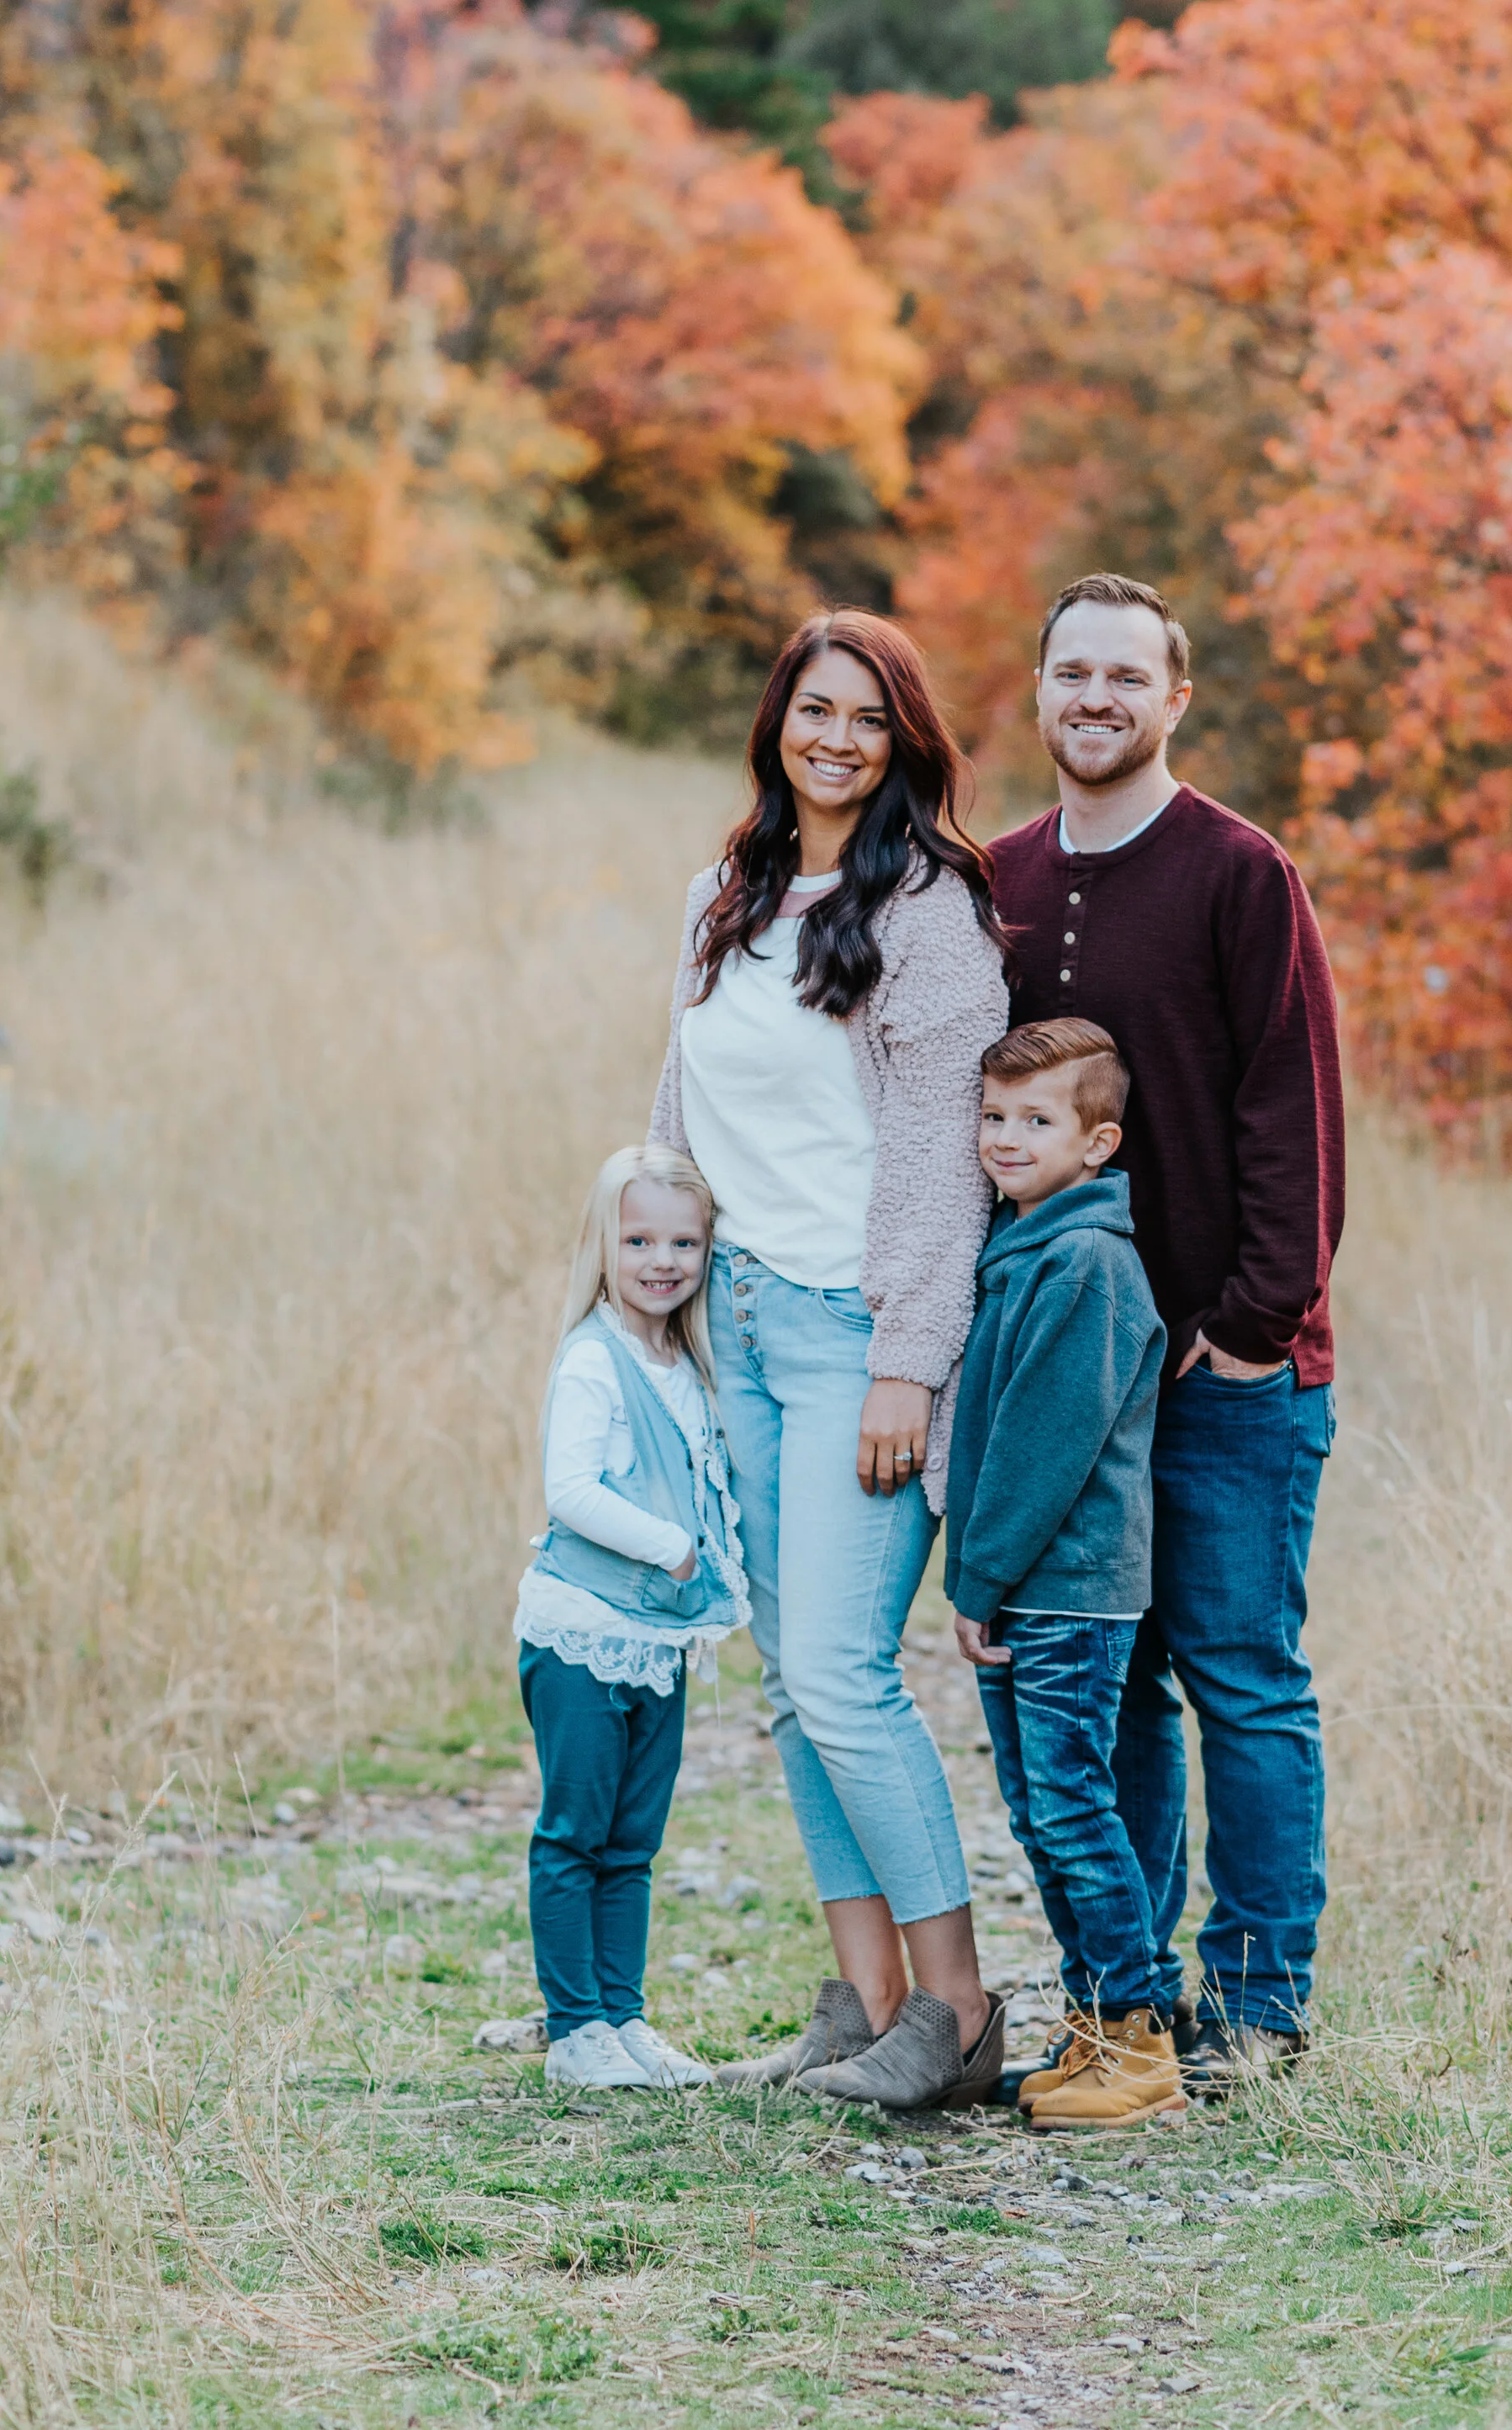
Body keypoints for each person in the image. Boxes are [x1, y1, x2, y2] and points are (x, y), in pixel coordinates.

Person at [649, 609, 1011, 2114]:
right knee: (793, 1689)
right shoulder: (725, 894)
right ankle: (863, 2001)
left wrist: (908, 1366)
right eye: (817, 711)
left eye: (870, 717)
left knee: (844, 1674)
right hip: (732, 1319)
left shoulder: (928, 914)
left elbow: (943, 1164)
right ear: (777, 725)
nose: (840, 739)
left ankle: (963, 2007)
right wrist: (652, 1312)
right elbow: (682, 1098)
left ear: (904, 740)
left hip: (859, 1333)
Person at [987, 574, 1345, 2089]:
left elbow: (1294, 1108)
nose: (1097, 699)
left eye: (1128, 677)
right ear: (1043, 690)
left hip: (1223, 1364)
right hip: (1083, 1374)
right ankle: (1122, 1999)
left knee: (1240, 1673)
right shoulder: (995, 878)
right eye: (1074, 672)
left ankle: (1257, 2008)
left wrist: (1260, 1322)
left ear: (1174, 700)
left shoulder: (1240, 874)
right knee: (1112, 1685)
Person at [945, 1019, 1176, 2131]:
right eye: (993, 1115)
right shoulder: (1025, 1242)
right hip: (1029, 1582)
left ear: (1098, 1143)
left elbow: (1045, 1441)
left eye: (1035, 1120)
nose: (1003, 1137)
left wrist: (976, 1577)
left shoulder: (1085, 1262)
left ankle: (1138, 2033)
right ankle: (1094, 2018)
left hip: (1067, 1585)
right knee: (1042, 1811)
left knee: (1075, 1808)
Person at [515, 1141, 749, 2091]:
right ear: (602, 1244)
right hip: (581, 1630)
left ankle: (623, 2014)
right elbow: (569, 1488)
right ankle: (575, 2029)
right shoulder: (594, 1362)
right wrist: (670, 1545)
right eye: (640, 1237)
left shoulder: (681, 1363)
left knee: (634, 1837)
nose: (663, 1259)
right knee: (575, 1829)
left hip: (657, 1639)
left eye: (685, 1241)